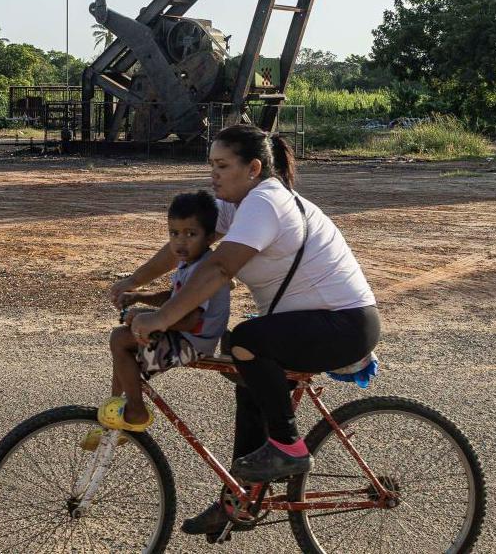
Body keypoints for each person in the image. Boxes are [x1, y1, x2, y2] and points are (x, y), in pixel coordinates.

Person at [117, 124, 380, 536]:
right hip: (317, 323)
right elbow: (186, 247)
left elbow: (220, 267)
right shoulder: (238, 204)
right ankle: (240, 497)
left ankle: (289, 447)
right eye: (211, 165)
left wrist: (162, 318)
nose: (213, 175)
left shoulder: (265, 202)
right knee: (246, 373)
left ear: (253, 168)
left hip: (343, 324)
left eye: (222, 165)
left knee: (244, 340)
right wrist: (133, 281)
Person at [92, 191, 231, 445]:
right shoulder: (189, 262)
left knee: (121, 339)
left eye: (191, 234)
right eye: (174, 233)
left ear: (210, 237)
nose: (181, 242)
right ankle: (117, 410)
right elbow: (174, 297)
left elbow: (190, 319)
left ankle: (135, 411)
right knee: (124, 345)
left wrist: (148, 317)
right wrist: (140, 297)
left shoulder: (206, 268)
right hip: (186, 334)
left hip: (194, 341)